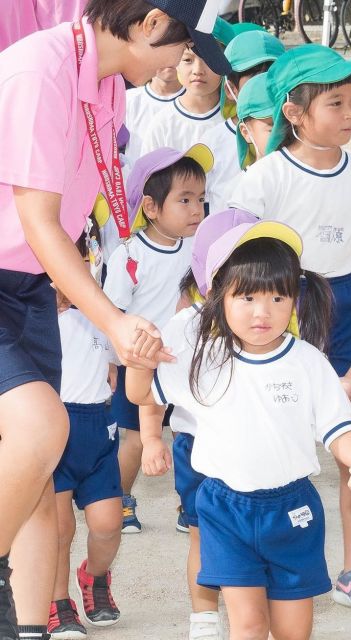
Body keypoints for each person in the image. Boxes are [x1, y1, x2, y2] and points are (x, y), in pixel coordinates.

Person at [0, 1, 228, 637]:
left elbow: (76, 221)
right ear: (151, 22)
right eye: (177, 52)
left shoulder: (107, 87)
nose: (177, 69)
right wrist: (114, 320)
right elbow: (37, 220)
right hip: (15, 276)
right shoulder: (39, 73)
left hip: (31, 285)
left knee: (37, 482)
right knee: (43, 431)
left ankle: (27, 627)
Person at [127, 214, 351, 640]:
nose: (263, 312)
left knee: (294, 631)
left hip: (293, 507)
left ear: (295, 299)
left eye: (278, 298)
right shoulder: (204, 357)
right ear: (219, 298)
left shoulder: (307, 361)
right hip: (225, 508)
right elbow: (142, 396)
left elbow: (338, 428)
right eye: (248, 297)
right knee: (249, 624)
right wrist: (138, 362)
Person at [229, 43, 351, 616]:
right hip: (281, 308)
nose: (350, 113)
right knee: (275, 440)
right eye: (335, 102)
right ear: (295, 114)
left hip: (348, 307)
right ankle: (263, 558)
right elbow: (229, 268)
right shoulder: (263, 179)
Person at [138, 210, 261, 640]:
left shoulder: (277, 322)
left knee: (252, 536)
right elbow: (154, 391)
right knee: (201, 535)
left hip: (255, 449)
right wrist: (152, 438)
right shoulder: (186, 326)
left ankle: (252, 616)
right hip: (198, 445)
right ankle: (204, 617)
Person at [103, 144, 212, 535]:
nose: (197, 209)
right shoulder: (130, 256)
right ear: (150, 207)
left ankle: (191, 502)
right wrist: (113, 360)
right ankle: (121, 498)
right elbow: (111, 312)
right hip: (141, 365)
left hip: (188, 363)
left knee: (187, 434)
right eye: (184, 200)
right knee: (136, 440)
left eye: (201, 199)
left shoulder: (201, 250)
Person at [48, 224, 122, 639]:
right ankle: (58, 603)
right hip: (54, 433)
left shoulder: (99, 315)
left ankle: (94, 577)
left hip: (97, 432)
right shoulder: (32, 321)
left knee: (108, 524)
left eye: (82, 263)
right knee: (59, 530)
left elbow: (117, 355)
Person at [205, 30, 284, 212]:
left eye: (273, 75)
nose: (264, 84)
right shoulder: (212, 143)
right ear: (230, 88)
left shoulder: (299, 132)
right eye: (254, 77)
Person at [142, 44, 224, 211]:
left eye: (209, 59)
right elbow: (148, 181)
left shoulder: (235, 122)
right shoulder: (163, 123)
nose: (198, 70)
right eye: (187, 60)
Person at [124, 67, 185, 172]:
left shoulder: (194, 102)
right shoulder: (128, 99)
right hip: (135, 182)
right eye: (161, 51)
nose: (168, 60)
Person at [235, 73, 274, 170]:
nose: (284, 136)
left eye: (291, 127)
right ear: (246, 132)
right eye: (273, 130)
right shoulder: (240, 185)